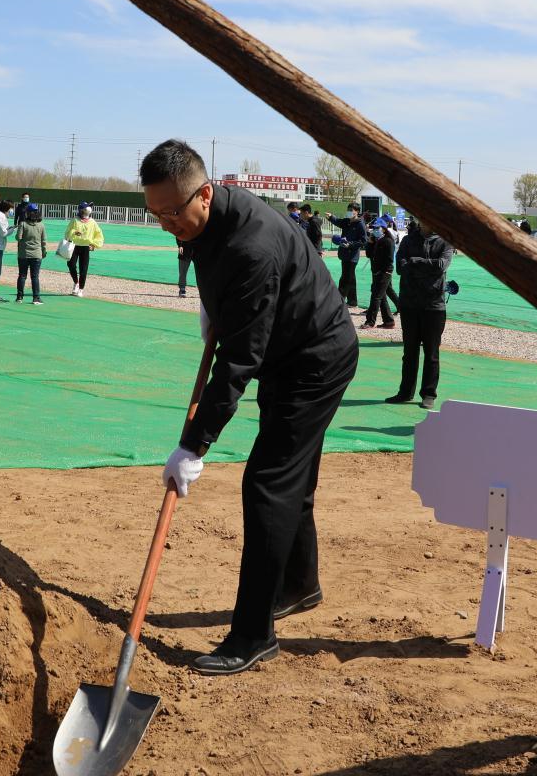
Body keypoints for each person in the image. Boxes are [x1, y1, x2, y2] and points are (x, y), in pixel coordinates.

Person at [142, 140, 358, 675]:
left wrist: (194, 446)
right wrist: (213, 307)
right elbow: (226, 293)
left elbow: (239, 361)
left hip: (314, 359)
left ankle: (253, 634)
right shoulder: (203, 220)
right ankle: (299, 584)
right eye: (156, 214)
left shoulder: (251, 246)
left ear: (206, 194)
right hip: (287, 348)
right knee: (292, 477)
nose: (168, 223)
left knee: (267, 484)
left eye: (174, 212)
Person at [388, 218, 452, 408]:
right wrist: (425, 266)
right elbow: (400, 267)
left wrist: (416, 262)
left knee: (431, 353)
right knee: (409, 352)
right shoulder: (408, 240)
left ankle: (428, 394)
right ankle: (405, 391)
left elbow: (441, 266)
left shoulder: (444, 241)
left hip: (434, 305)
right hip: (409, 303)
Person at [62, 202, 105, 296]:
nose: (87, 210)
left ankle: (81, 289)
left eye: (88, 209)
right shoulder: (75, 220)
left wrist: (94, 245)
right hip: (74, 245)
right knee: (71, 264)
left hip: (85, 247)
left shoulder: (92, 222)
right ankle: (76, 282)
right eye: (85, 209)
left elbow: (99, 235)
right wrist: (74, 232)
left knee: (83, 269)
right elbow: (67, 232)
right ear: (81, 210)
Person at [362, 214, 397, 329]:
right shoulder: (377, 241)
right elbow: (368, 255)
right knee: (381, 297)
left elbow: (389, 260)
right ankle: (389, 321)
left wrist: (382, 272)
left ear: (383, 228)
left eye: (377, 228)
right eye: (374, 228)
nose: (375, 230)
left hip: (384, 273)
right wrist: (370, 243)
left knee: (376, 296)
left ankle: (370, 321)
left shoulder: (388, 241)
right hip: (377, 272)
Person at [329, 204, 364, 307]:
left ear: (357, 211)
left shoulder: (360, 224)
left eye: (351, 210)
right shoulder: (347, 221)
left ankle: (338, 301)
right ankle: (353, 301)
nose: (349, 212)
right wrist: (331, 217)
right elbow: (338, 221)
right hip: (344, 253)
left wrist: (351, 244)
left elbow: (363, 241)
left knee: (345, 278)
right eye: (348, 209)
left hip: (352, 255)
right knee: (350, 278)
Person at [15, 202, 46, 304]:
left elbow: (18, 238)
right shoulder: (41, 225)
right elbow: (43, 241)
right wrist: (44, 252)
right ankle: (36, 298)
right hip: (37, 254)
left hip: (23, 254)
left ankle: (19, 297)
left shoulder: (23, 224)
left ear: (27, 213)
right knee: (35, 276)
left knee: (22, 275)